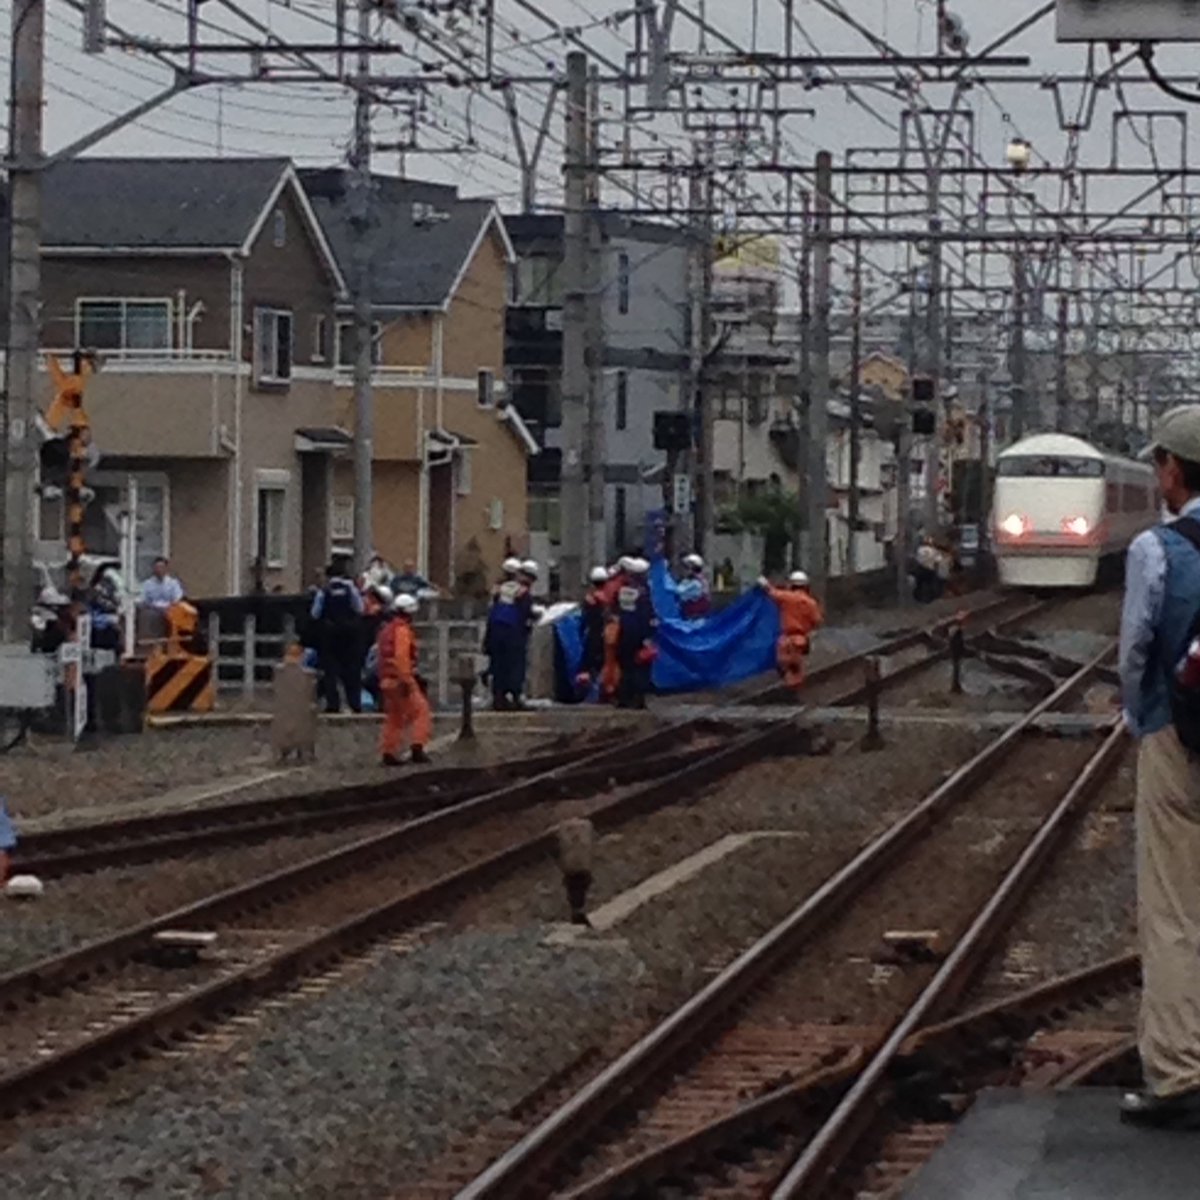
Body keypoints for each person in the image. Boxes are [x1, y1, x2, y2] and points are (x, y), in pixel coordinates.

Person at [1118, 405, 1200, 1130]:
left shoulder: (1156, 550)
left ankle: (1178, 1074)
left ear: (1173, 469)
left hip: (1177, 736)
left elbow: (1135, 651)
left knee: (1174, 909)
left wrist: (1140, 715)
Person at [377, 593, 431, 766]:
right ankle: (418, 747)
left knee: (395, 717)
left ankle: (389, 751)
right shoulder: (402, 630)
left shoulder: (387, 630)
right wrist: (407, 681)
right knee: (421, 712)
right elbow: (401, 658)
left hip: (386, 678)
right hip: (399, 679)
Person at [310, 559, 364, 714]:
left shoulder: (324, 590)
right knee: (352, 671)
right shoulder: (350, 588)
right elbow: (360, 608)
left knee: (330, 671)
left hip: (330, 635)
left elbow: (315, 613)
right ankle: (355, 704)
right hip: (349, 635)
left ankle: (333, 704)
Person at [759, 570, 824, 692]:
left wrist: (764, 582)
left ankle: (787, 691)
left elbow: (771, 592)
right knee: (796, 670)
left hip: (784, 640)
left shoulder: (786, 597)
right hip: (800, 640)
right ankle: (794, 692)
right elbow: (817, 621)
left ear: (791, 585)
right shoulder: (810, 603)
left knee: (783, 667)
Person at [484, 557, 534, 710]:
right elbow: (526, 614)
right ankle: (515, 696)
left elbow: (491, 612)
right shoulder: (522, 592)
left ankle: (498, 697)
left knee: (498, 665)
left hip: (495, 632)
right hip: (514, 633)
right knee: (515, 665)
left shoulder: (497, 590)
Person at [614, 557, 656, 709]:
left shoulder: (624, 590)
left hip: (624, 632)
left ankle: (624, 698)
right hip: (638, 634)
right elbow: (645, 614)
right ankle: (638, 699)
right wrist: (648, 635)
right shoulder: (643, 592)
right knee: (640, 668)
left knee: (626, 667)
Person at [576, 566, 610, 697]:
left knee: (587, 664)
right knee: (605, 663)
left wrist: (581, 631)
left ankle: (586, 692)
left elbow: (584, 619)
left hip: (592, 635)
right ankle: (603, 691)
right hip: (607, 636)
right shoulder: (609, 598)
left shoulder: (589, 599)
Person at [672, 553, 712, 619]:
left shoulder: (695, 582)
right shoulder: (697, 580)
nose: (682, 570)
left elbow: (680, 593)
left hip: (695, 612)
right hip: (697, 611)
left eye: (686, 568)